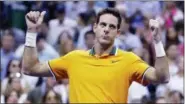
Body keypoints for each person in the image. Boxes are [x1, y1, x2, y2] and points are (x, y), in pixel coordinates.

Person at [22, 8, 169, 103]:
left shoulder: (129, 60)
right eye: (103, 25)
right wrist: (31, 31)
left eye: (112, 27)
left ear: (118, 33)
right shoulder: (74, 58)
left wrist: (157, 41)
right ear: (95, 27)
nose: (106, 29)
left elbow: (162, 77)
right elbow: (30, 68)